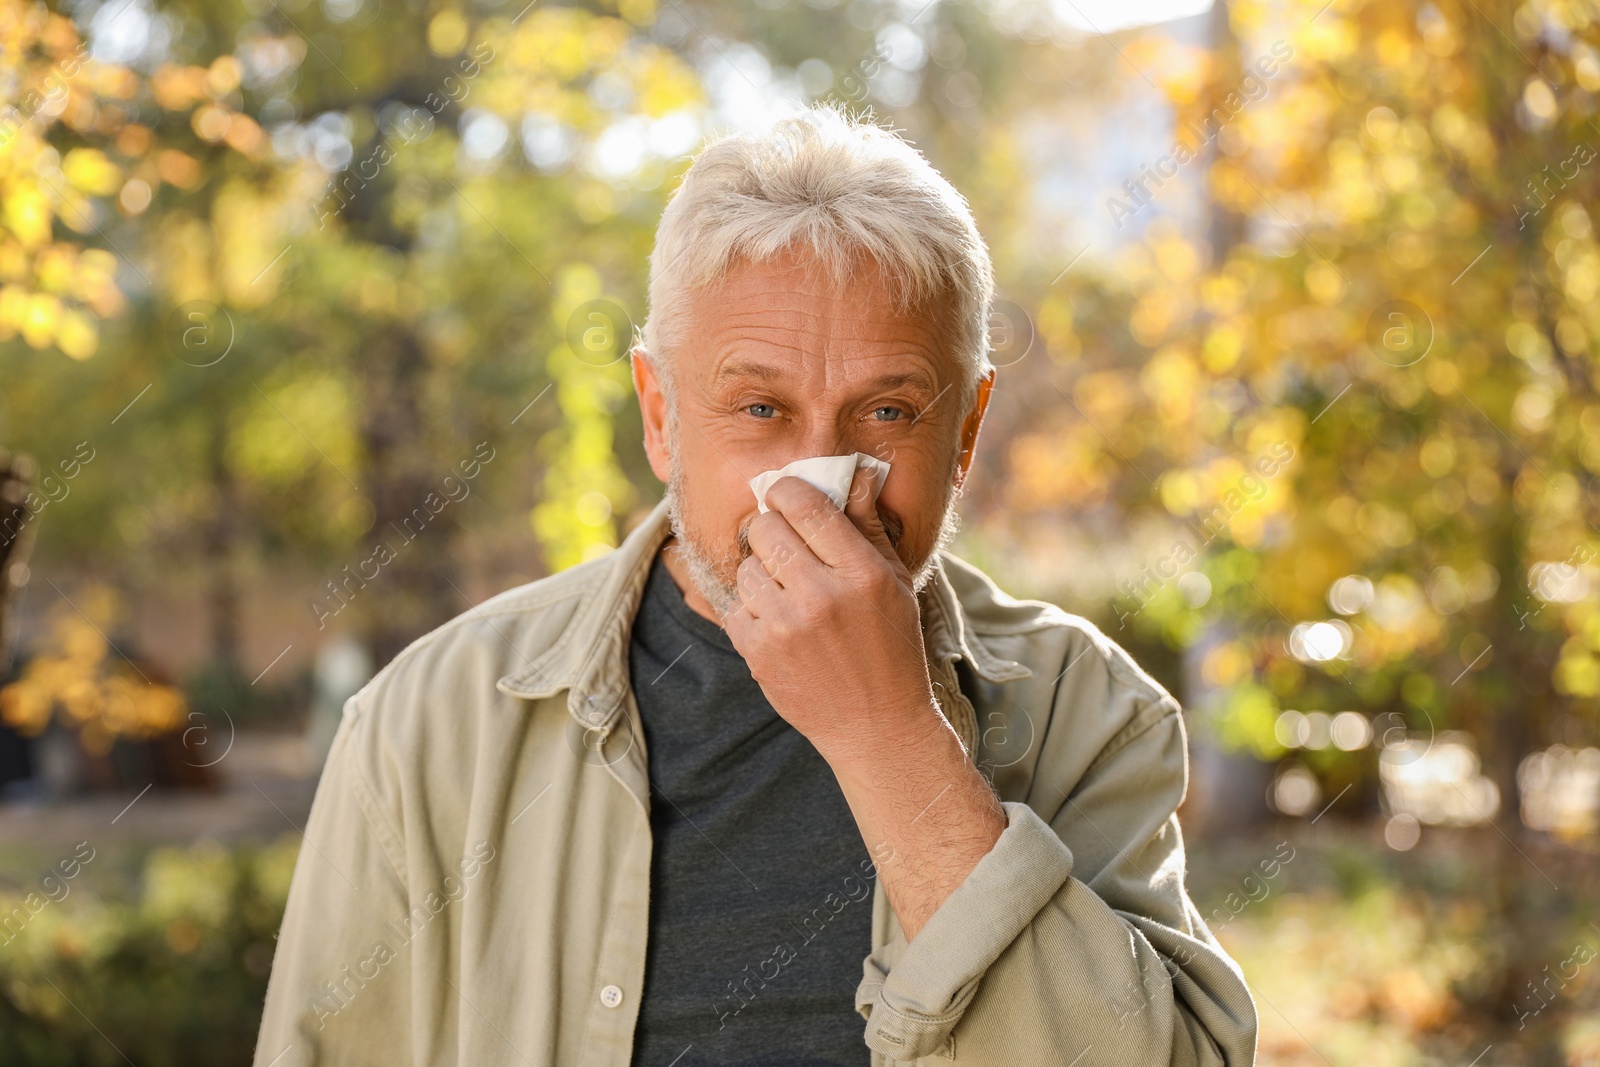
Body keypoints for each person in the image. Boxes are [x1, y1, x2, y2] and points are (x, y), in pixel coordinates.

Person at [254, 103, 1258, 1067]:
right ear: (660, 416)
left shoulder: (1090, 713)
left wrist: (893, 741)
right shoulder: (422, 726)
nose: (822, 477)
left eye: (890, 413)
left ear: (967, 430)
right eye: (761, 406)